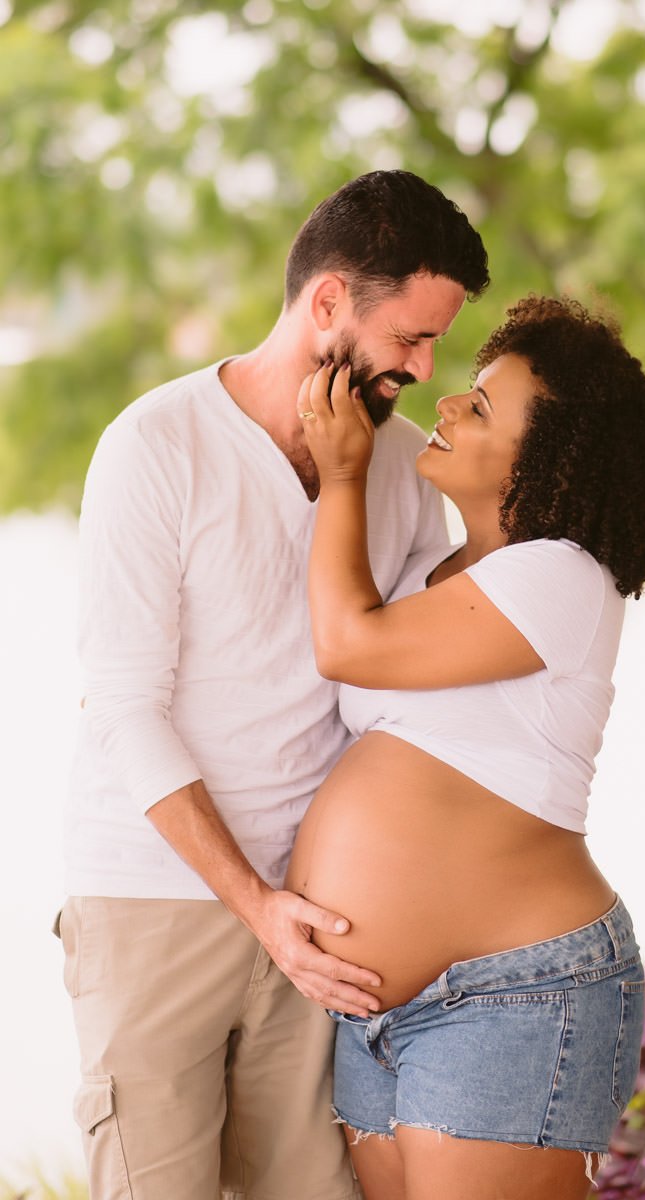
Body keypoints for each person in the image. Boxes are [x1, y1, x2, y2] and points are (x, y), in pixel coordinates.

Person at [57, 170, 489, 1200]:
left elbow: (406, 691)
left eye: (437, 345)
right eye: (412, 339)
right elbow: (124, 705)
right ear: (330, 301)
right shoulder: (155, 446)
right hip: (155, 901)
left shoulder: (396, 469)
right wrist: (256, 907)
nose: (425, 372)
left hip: (325, 920)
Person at [286, 294, 645, 1200]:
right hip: (378, 1013)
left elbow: (345, 644)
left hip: (515, 995)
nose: (446, 406)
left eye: (478, 406)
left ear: (544, 457)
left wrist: (342, 475)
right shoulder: (430, 574)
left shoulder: (560, 575)